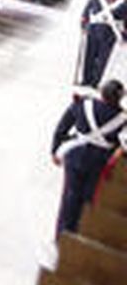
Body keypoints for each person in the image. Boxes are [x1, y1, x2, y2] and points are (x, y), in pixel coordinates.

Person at [51, 80, 125, 237]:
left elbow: (62, 126)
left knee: (70, 196)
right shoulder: (122, 119)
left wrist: (55, 149)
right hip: (99, 162)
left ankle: (61, 235)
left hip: (75, 155)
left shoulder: (83, 104)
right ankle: (78, 235)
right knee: (88, 199)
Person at [79, 0, 126, 88]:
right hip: (94, 30)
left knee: (102, 59)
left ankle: (95, 82)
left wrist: (124, 36)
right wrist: (83, 25)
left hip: (110, 34)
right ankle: (86, 79)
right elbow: (86, 12)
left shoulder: (124, 3)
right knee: (89, 56)